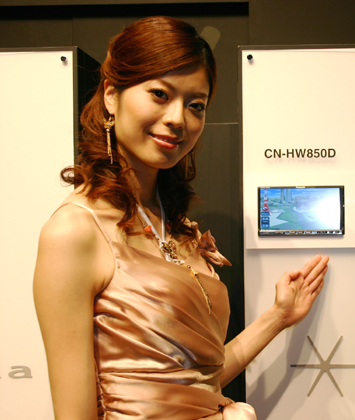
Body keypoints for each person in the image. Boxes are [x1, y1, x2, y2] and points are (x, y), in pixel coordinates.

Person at [33, 16, 328, 420]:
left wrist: (277, 318)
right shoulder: (74, 232)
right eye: (159, 94)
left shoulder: (177, 226)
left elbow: (195, 382)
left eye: (195, 105)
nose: (178, 118)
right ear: (111, 96)